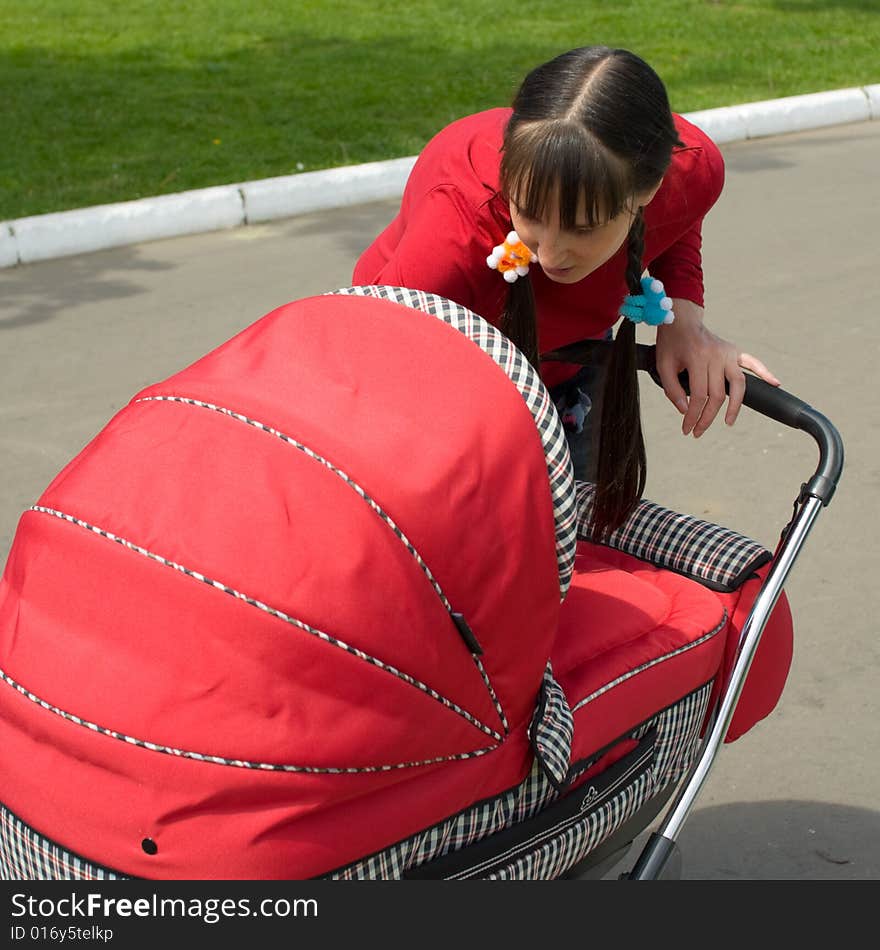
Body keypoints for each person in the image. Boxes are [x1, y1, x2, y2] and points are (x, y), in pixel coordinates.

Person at [352, 45, 779, 540]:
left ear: (649, 190)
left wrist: (685, 320)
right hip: (431, 380)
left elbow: (680, 222)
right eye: (530, 213)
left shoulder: (693, 168)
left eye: (582, 228)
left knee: (567, 544)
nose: (551, 254)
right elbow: (369, 367)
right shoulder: (457, 228)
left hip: (563, 367)